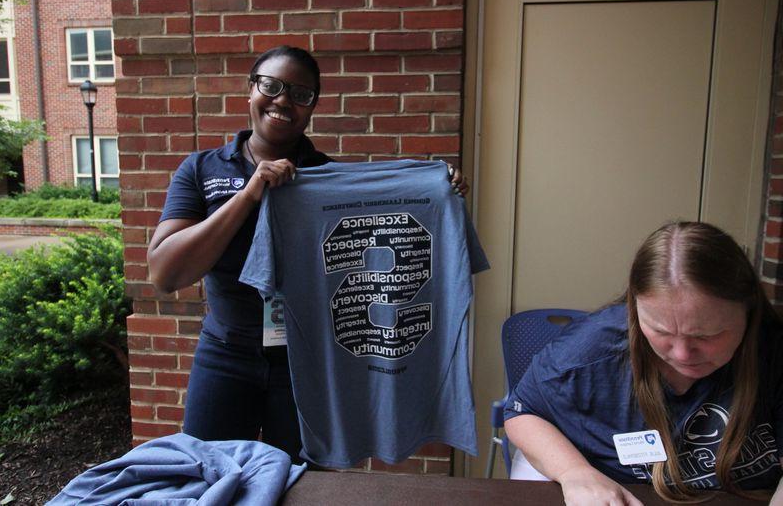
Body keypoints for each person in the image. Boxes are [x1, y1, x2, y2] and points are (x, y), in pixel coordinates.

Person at [147, 45, 469, 462]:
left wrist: (437, 190)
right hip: (226, 355)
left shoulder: (329, 180)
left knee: (304, 484)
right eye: (271, 86)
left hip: (309, 364)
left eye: (301, 94)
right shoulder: (202, 169)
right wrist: (249, 194)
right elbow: (165, 274)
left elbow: (390, 236)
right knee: (208, 475)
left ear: (312, 108)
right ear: (250, 91)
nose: (283, 100)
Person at [504, 221, 783, 504]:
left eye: (706, 335)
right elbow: (522, 412)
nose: (682, 354)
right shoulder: (587, 351)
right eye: (661, 331)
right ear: (634, 308)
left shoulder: (773, 354)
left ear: (748, 309)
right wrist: (574, 472)